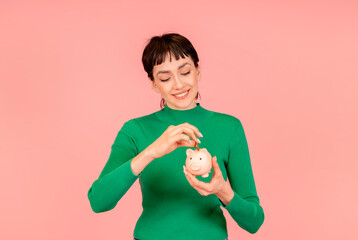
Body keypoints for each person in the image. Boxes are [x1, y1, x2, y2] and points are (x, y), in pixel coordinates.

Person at [87, 33, 265, 240]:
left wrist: (223, 191)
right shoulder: (135, 130)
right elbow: (98, 202)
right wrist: (151, 152)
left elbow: (254, 222)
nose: (178, 85)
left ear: (198, 71)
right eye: (165, 78)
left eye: (185, 72)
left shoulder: (229, 127)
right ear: (154, 83)